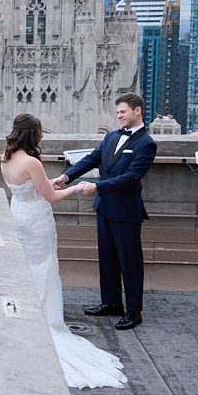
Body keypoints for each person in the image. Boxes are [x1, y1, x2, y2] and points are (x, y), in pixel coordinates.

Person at [1, 113, 127, 389]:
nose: (43, 135)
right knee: (43, 265)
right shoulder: (32, 162)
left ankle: (25, 313)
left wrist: (55, 182)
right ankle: (45, 318)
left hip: (18, 214)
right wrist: (77, 188)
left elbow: (31, 189)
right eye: (41, 131)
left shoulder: (6, 158)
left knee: (26, 265)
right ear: (32, 134)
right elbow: (51, 197)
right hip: (37, 219)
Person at [52, 92, 157, 330]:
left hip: (126, 211)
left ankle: (133, 311)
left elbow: (132, 177)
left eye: (123, 111)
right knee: (107, 258)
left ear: (137, 110)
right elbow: (91, 159)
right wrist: (66, 176)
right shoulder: (110, 136)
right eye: (118, 112)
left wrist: (97, 186)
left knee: (130, 262)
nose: (119, 115)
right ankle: (111, 303)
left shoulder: (147, 143)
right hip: (105, 207)